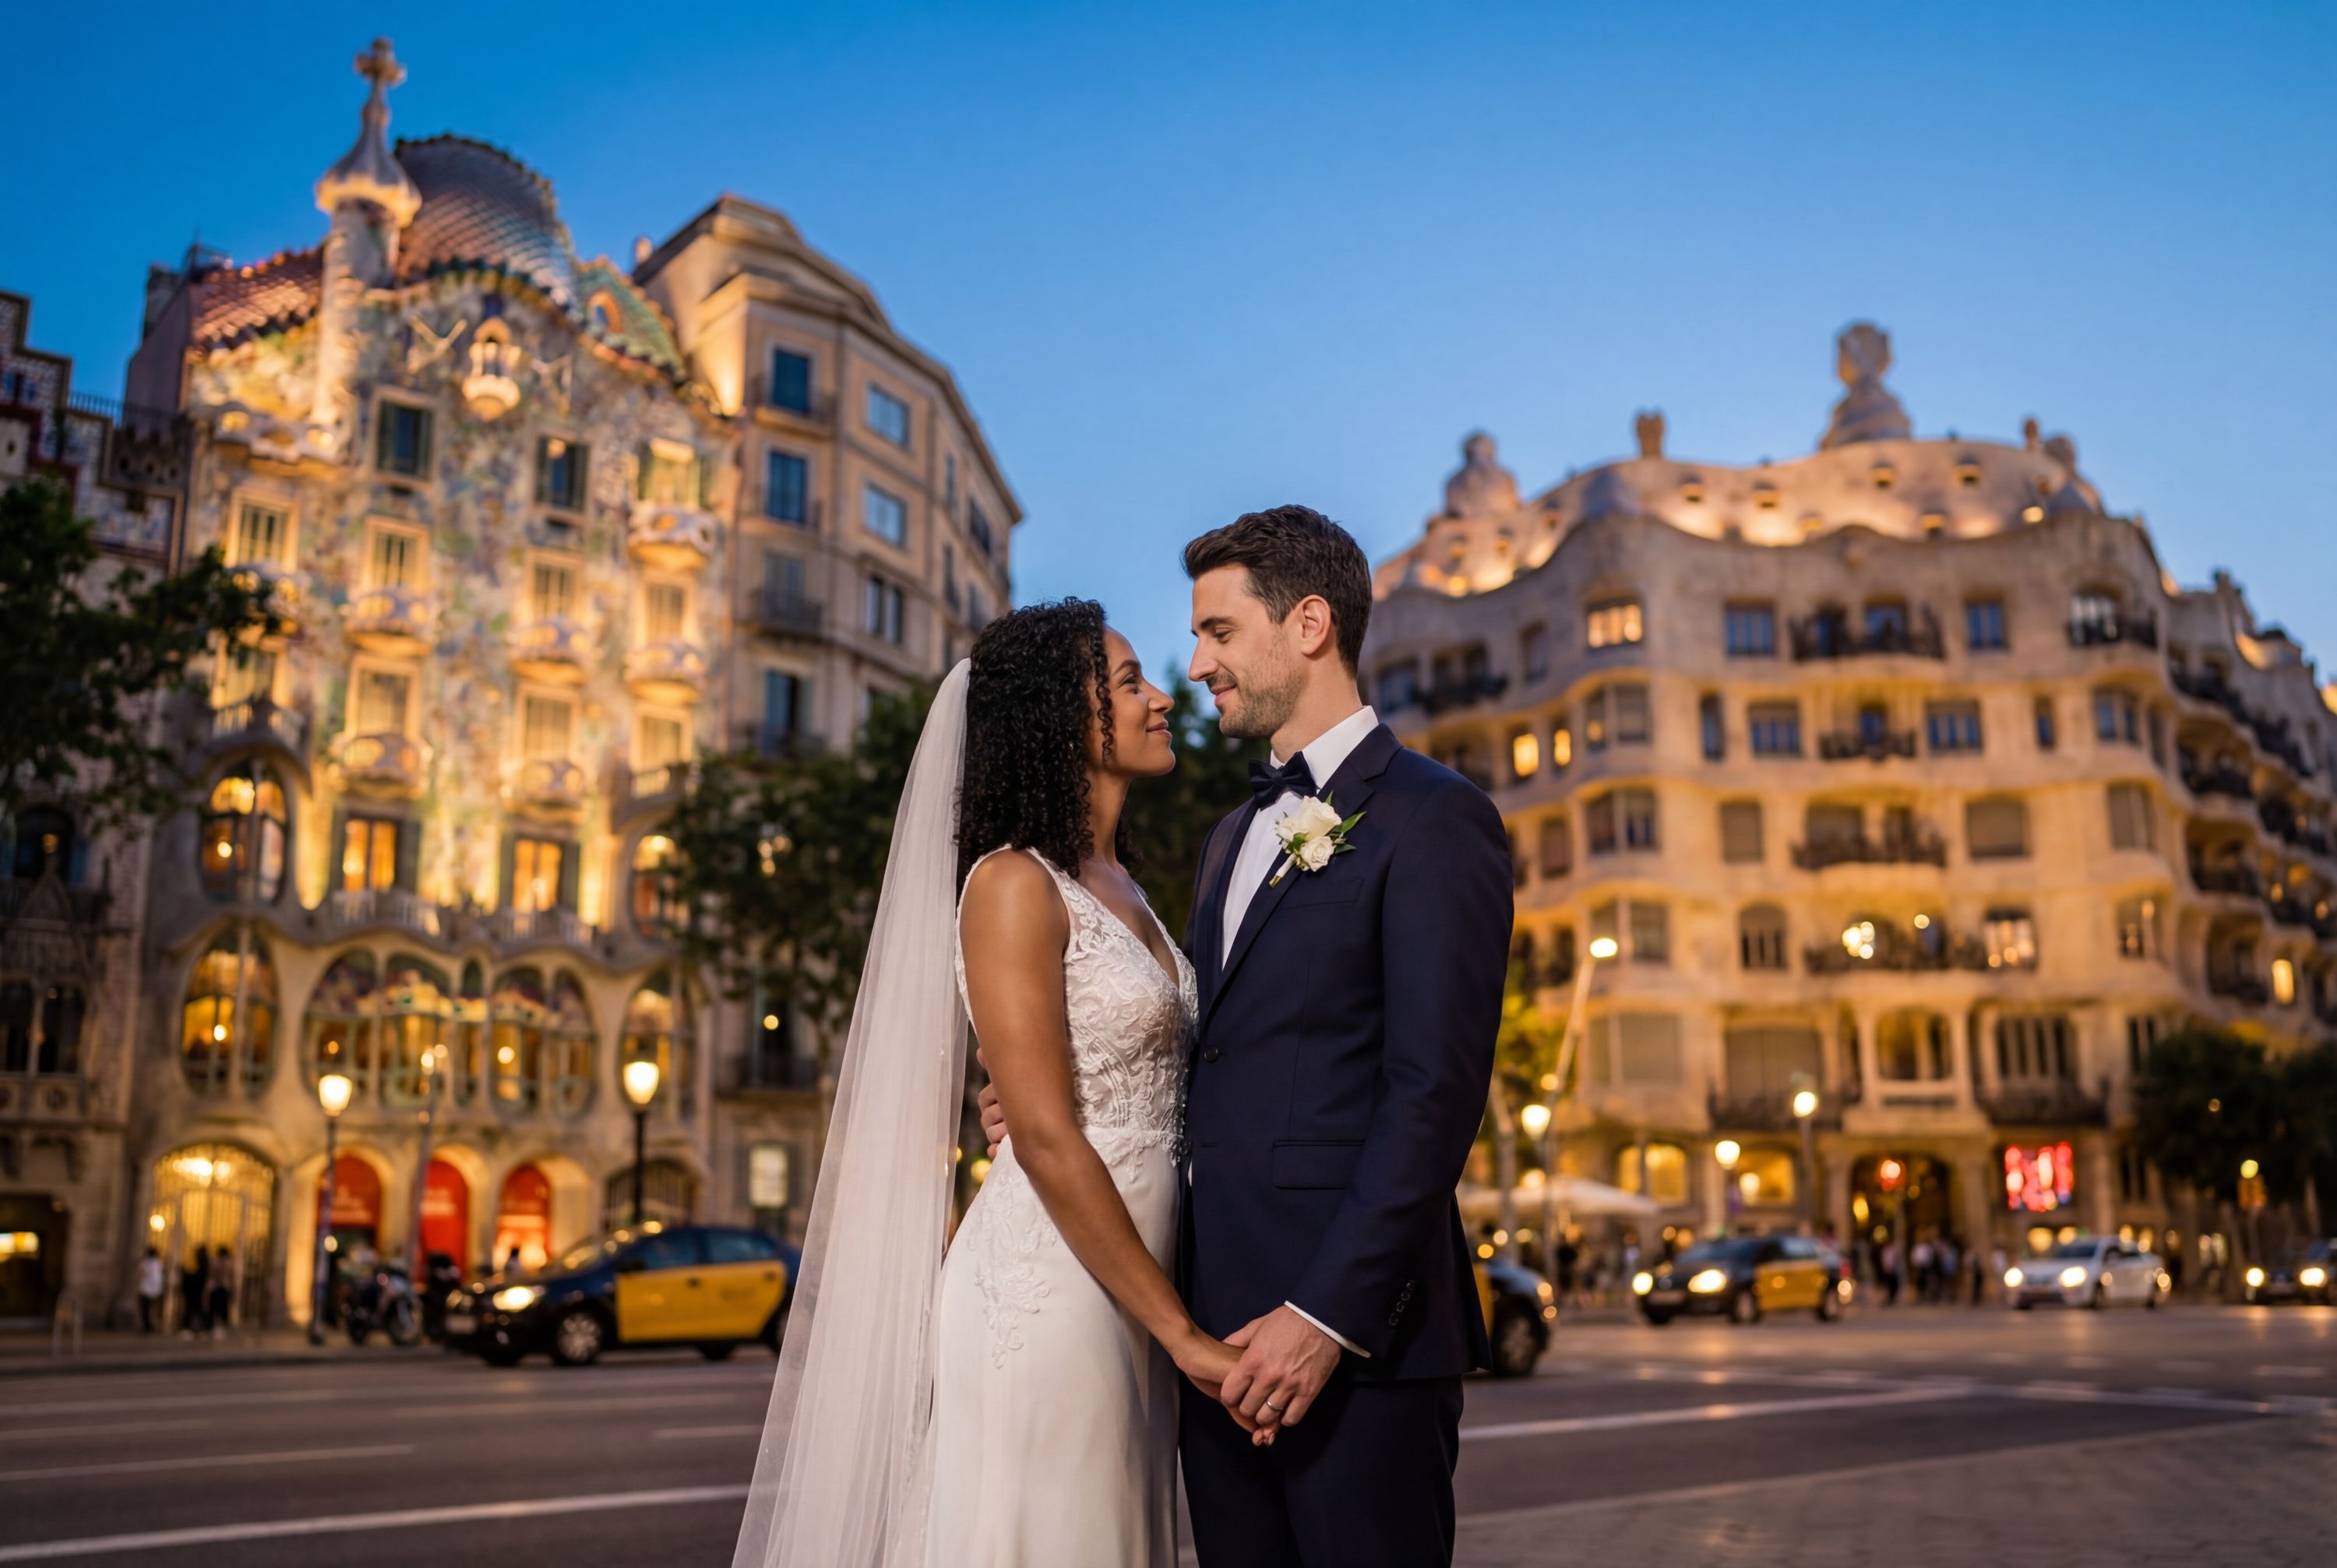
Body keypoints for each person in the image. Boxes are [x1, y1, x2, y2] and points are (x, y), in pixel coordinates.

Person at [178, 1245, 208, 1339]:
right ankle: (200, 1329)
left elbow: (198, 1277)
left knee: (193, 1310)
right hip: (197, 1291)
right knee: (197, 1310)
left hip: (196, 1291)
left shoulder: (204, 1265)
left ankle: (192, 1328)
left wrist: (185, 1274)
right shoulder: (203, 1265)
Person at [207, 1244, 237, 1339]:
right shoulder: (225, 1262)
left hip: (217, 1288)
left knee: (218, 1309)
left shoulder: (217, 1262)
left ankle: (216, 1328)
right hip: (220, 1288)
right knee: (219, 1309)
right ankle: (217, 1328)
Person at [136, 1246, 165, 1333]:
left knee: (145, 1308)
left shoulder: (146, 1263)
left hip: (146, 1289)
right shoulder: (159, 1263)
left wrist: (138, 1285)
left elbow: (141, 1273)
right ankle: (151, 1325)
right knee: (152, 1309)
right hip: (156, 1289)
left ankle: (147, 1325)